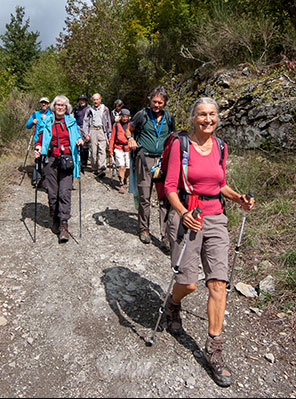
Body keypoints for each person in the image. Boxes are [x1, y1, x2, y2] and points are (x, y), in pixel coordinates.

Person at [161, 97, 255, 388]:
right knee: (188, 283)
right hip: (189, 215)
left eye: (212, 114)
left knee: (218, 283)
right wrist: (183, 213)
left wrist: (238, 198)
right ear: (193, 117)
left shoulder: (221, 147)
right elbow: (168, 186)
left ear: (217, 117)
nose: (208, 119)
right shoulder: (181, 145)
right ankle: (173, 304)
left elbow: (220, 183)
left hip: (216, 218)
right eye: (202, 114)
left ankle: (214, 347)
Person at [126, 86, 176, 247]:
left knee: (164, 199)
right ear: (150, 100)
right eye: (154, 102)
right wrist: (130, 139)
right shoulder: (142, 115)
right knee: (144, 196)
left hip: (162, 162)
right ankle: (144, 229)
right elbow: (129, 129)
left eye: (160, 103)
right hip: (144, 159)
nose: (157, 105)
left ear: (165, 103)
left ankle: (165, 235)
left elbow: (173, 136)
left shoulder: (169, 117)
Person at [34, 95, 84, 243]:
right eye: (57, 105)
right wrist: (38, 148)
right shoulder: (47, 121)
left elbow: (76, 135)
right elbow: (40, 136)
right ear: (53, 107)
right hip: (50, 159)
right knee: (52, 193)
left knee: (64, 192)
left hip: (67, 160)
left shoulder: (71, 121)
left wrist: (79, 140)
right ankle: (54, 216)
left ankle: (63, 224)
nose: (60, 107)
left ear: (66, 107)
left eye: (62, 105)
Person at [82, 93, 112, 177]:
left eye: (97, 99)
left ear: (100, 100)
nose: (95, 101)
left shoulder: (105, 109)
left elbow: (108, 121)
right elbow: (85, 122)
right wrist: (86, 134)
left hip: (102, 130)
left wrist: (109, 133)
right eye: (94, 100)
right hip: (93, 130)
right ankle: (94, 168)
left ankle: (101, 167)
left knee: (102, 149)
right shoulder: (89, 109)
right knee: (93, 150)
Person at [25, 97, 52, 186]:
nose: (43, 104)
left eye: (45, 103)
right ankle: (37, 178)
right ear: (40, 104)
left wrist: (47, 118)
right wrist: (32, 122)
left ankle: (47, 179)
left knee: (48, 160)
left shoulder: (52, 114)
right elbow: (27, 125)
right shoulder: (35, 114)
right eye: (42, 103)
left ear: (48, 104)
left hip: (49, 140)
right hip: (38, 140)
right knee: (38, 159)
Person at [108, 108, 131, 193]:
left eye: (126, 117)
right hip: (118, 148)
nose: (125, 118)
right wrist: (110, 149)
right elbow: (112, 138)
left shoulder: (131, 125)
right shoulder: (116, 125)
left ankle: (125, 178)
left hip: (128, 148)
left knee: (128, 167)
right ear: (120, 116)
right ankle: (121, 183)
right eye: (123, 116)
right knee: (121, 166)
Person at [72, 94, 90, 169]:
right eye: (80, 100)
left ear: (86, 101)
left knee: (85, 146)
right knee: (77, 144)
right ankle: (76, 161)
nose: (82, 101)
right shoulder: (76, 108)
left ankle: (84, 162)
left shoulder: (89, 109)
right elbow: (73, 117)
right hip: (78, 127)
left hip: (86, 128)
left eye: (83, 100)